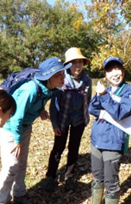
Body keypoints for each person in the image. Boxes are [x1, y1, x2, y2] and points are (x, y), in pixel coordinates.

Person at [0, 57, 71, 204]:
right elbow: (15, 118)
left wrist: (40, 111)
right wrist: (17, 140)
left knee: (21, 163)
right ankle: (2, 200)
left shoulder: (50, 89)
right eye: (59, 75)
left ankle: (20, 193)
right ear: (49, 77)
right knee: (11, 165)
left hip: (25, 126)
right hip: (10, 127)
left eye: (63, 74)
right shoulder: (30, 90)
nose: (63, 78)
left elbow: (35, 104)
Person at [82, 56, 131, 204]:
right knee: (97, 175)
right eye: (109, 70)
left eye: (117, 69)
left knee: (110, 180)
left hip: (113, 143)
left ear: (123, 71)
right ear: (105, 75)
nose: (114, 74)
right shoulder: (105, 89)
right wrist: (102, 99)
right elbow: (92, 107)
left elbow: (120, 113)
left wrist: (104, 98)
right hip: (97, 139)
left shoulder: (129, 92)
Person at [45, 47, 92, 192]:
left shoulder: (87, 81)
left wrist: (86, 118)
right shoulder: (61, 80)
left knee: (74, 148)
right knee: (58, 149)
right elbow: (54, 106)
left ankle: (69, 176)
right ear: (68, 65)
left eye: (80, 62)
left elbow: (88, 101)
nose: (77, 66)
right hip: (62, 121)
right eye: (73, 62)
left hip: (79, 121)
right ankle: (50, 177)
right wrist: (54, 124)